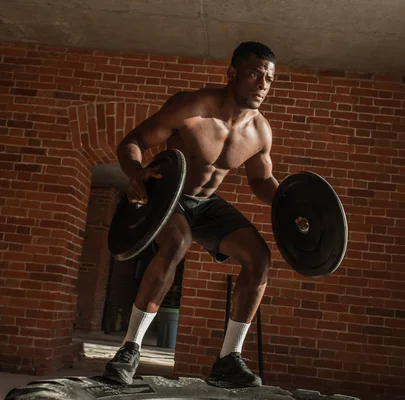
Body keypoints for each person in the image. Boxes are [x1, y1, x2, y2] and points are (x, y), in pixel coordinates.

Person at [104, 41, 279, 388]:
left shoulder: (260, 131)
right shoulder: (191, 107)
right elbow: (133, 140)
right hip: (166, 195)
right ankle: (130, 349)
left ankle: (228, 359)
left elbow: (261, 181)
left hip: (206, 204)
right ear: (232, 74)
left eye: (269, 79)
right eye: (254, 74)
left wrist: (289, 203)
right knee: (178, 242)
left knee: (259, 257)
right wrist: (136, 172)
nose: (262, 84)